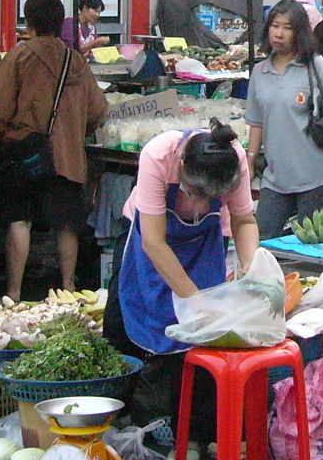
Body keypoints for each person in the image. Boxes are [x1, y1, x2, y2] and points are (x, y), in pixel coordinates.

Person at [101, 121, 260, 443]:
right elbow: (154, 243)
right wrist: (196, 301)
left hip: (204, 242)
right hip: (150, 240)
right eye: (196, 193)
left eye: (212, 196)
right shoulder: (158, 154)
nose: (202, 204)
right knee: (121, 327)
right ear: (183, 167)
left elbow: (244, 220)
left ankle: (199, 435)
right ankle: (129, 426)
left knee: (204, 340)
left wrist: (253, 272)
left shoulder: (235, 158)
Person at [0, 0, 108, 300]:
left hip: (24, 154)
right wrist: (74, 132)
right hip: (67, 157)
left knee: (20, 220)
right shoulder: (75, 59)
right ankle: (68, 289)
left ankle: (13, 293)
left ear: (29, 22)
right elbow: (98, 109)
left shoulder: (19, 55)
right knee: (66, 222)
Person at [246, 0, 323, 241]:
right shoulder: (259, 72)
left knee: (313, 242)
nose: (279, 34)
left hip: (317, 176)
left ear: (299, 33)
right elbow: (256, 122)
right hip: (275, 177)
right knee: (263, 238)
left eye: (287, 28)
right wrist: (249, 161)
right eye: (274, 26)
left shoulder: (316, 66)